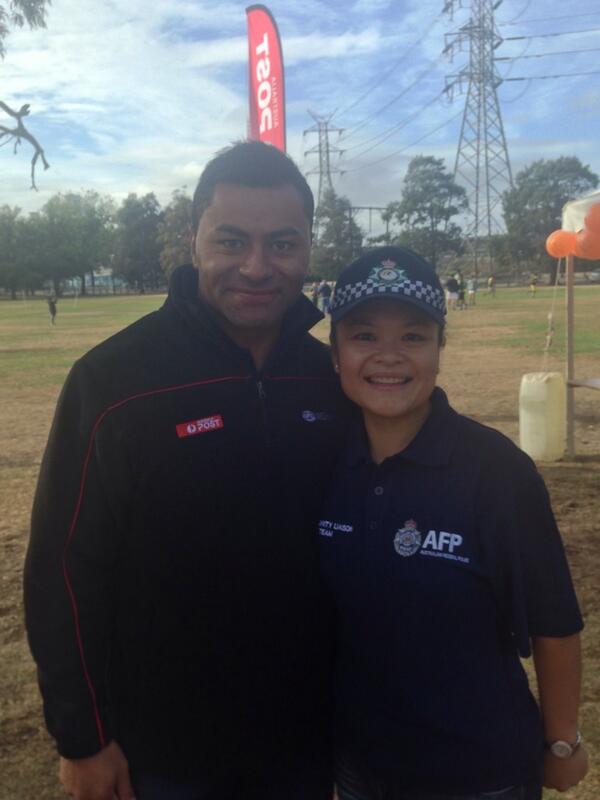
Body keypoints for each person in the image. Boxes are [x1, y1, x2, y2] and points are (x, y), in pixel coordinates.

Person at [24, 141, 350, 800]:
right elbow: (62, 568)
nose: (257, 267)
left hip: (305, 742)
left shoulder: (330, 379)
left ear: (308, 248)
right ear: (194, 239)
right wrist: (82, 737)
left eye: (283, 244)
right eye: (232, 241)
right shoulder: (114, 381)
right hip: (162, 754)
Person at [319, 245, 588, 800]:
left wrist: (562, 742)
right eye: (364, 336)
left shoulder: (496, 471)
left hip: (479, 774)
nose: (388, 357)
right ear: (335, 354)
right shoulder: (321, 463)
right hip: (361, 767)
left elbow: (554, 621)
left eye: (413, 337)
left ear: (441, 348)